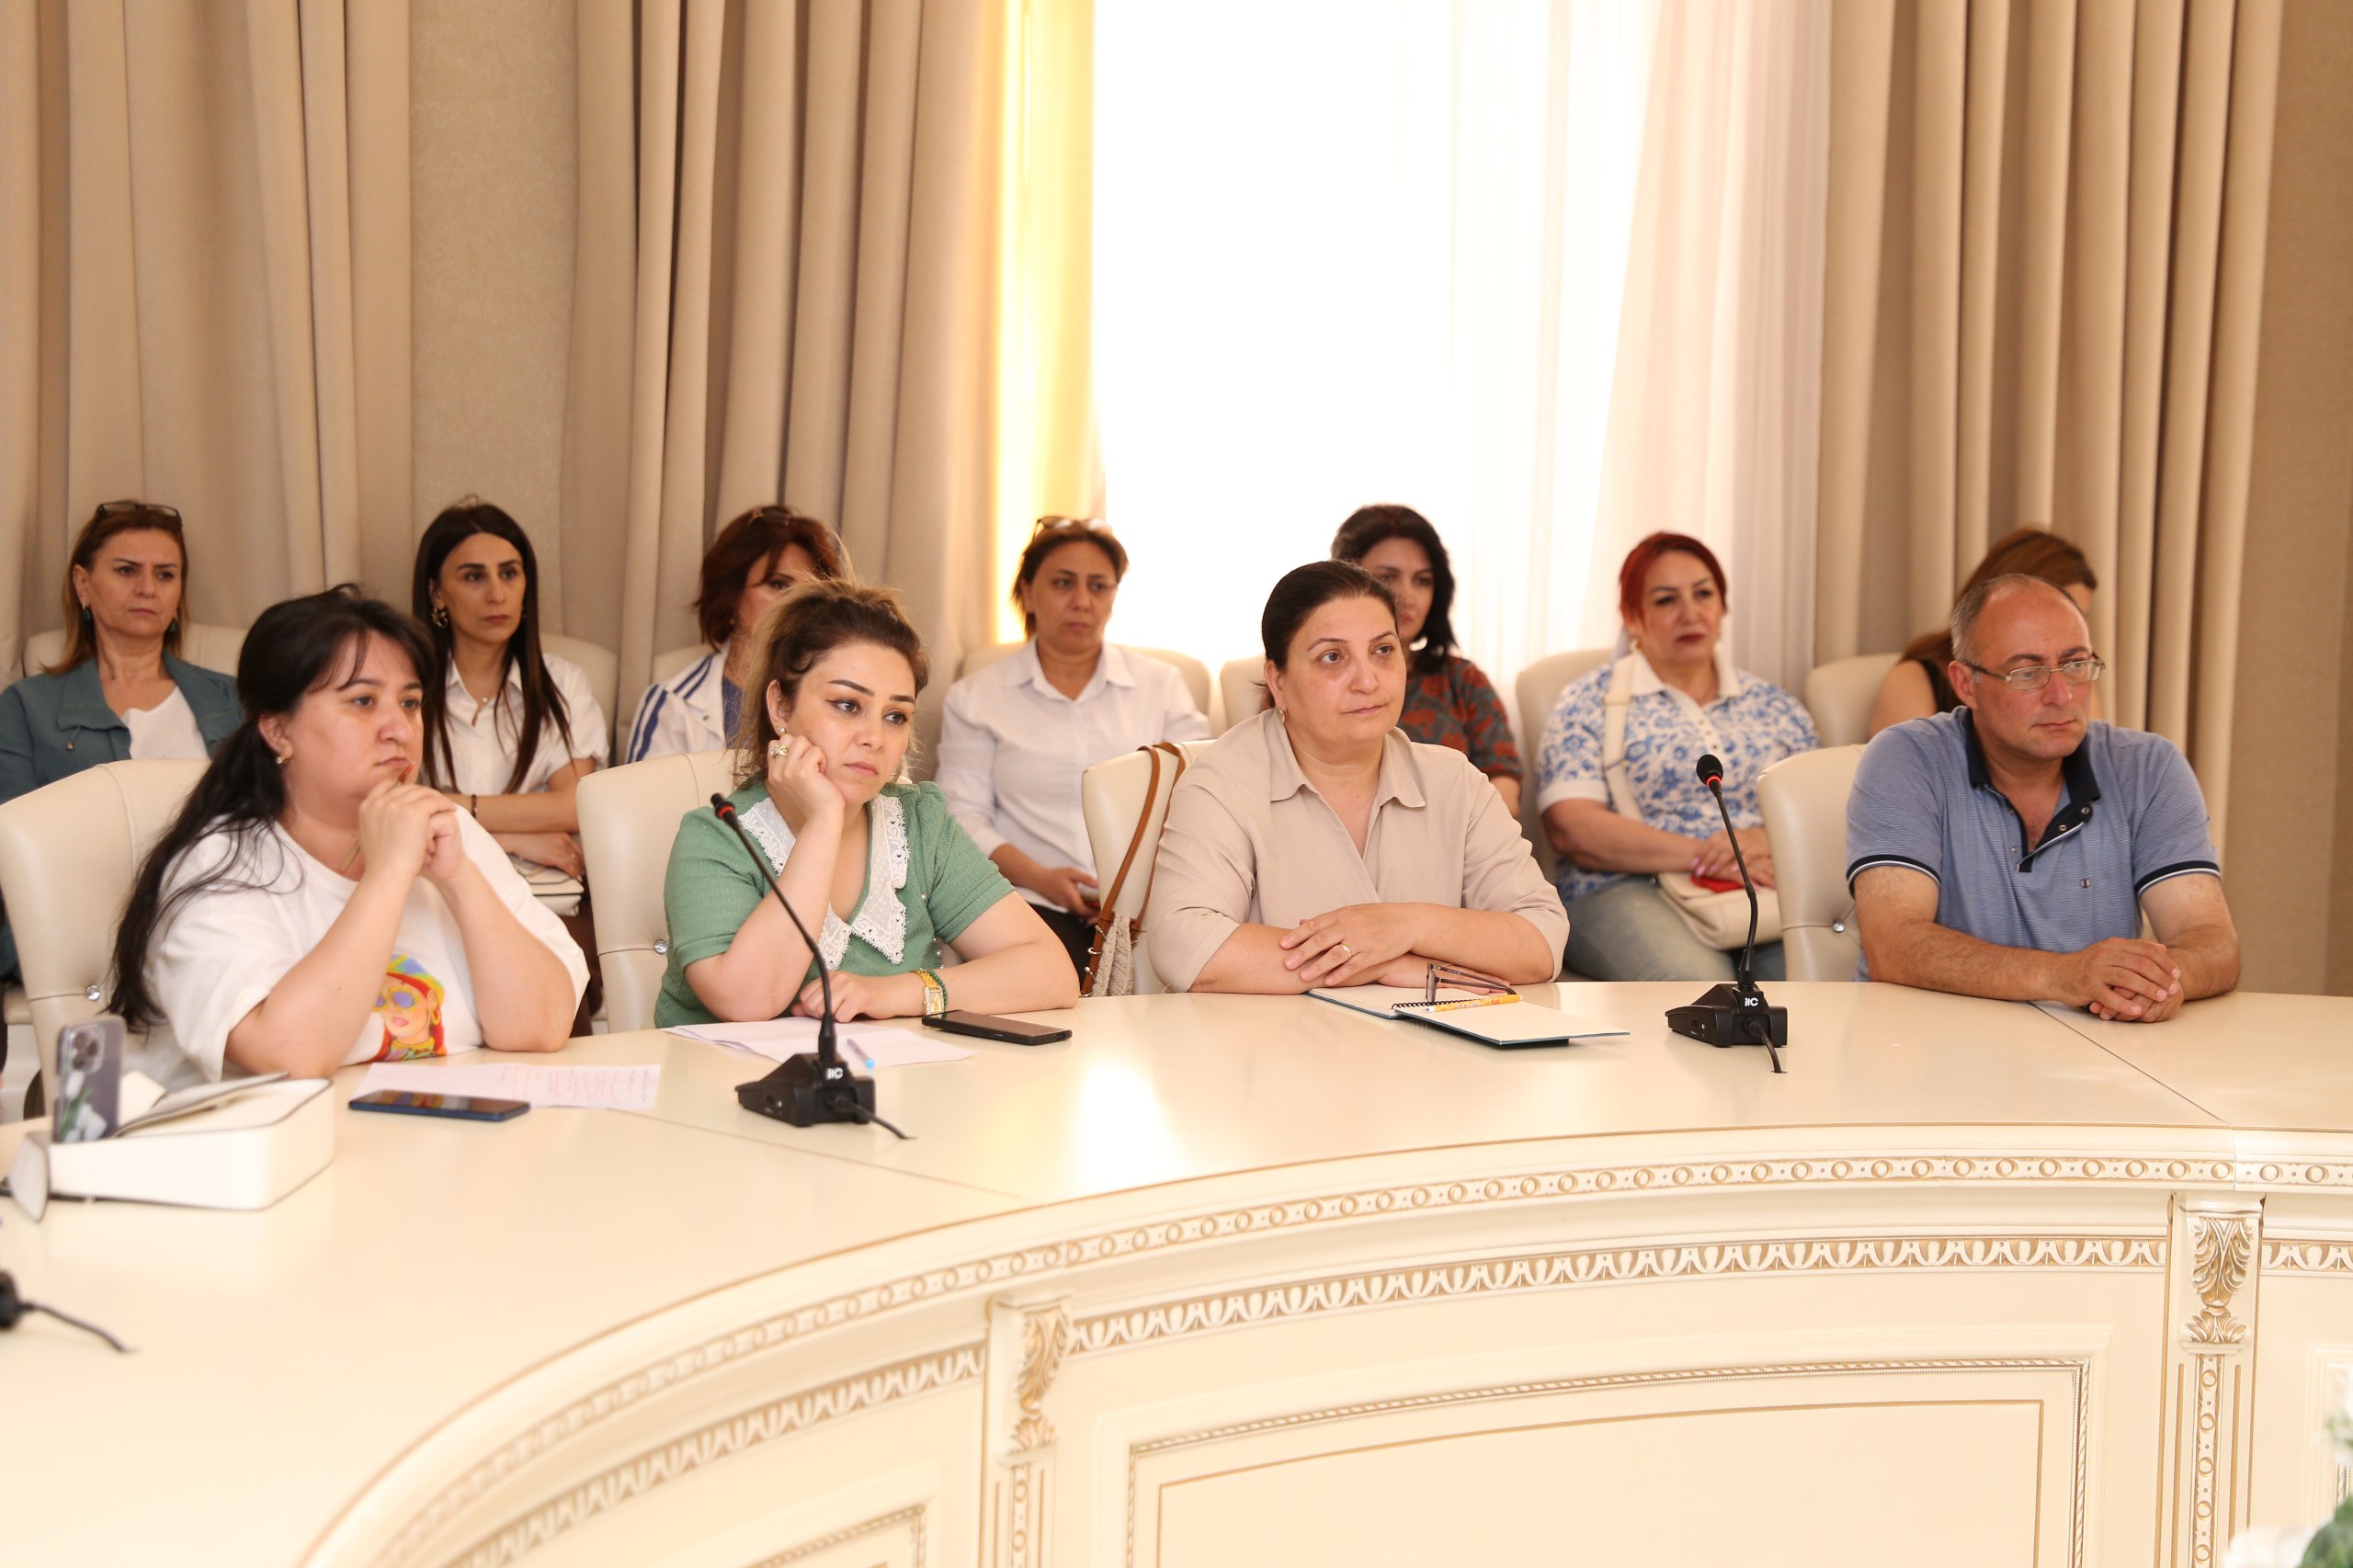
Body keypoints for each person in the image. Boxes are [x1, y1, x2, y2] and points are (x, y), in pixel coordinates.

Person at [107, 587, 588, 1091]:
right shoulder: (220, 864)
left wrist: (458, 877)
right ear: (278, 731)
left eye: (410, 702)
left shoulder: (451, 832)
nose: (400, 729)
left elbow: (539, 1027)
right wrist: (388, 873)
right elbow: (287, 1056)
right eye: (363, 701)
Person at [656, 578, 1079, 1027]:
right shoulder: (715, 836)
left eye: (895, 716)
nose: (875, 738)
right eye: (846, 705)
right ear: (780, 707)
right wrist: (824, 820)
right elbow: (747, 1002)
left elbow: (1051, 973)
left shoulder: (919, 823)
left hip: (892, 1072)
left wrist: (895, 992)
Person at [1149, 561, 1565, 994]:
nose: (1367, 680)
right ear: (1278, 681)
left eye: (1383, 650)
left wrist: (1408, 926)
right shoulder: (1221, 782)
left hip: (1424, 1038)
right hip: (1270, 1036)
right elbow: (1186, 947)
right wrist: (1390, 964)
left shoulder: (1454, 780)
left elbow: (1542, 939)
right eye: (1332, 657)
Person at [1847, 574, 2239, 1019]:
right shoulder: (1906, 759)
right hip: (1925, 1045)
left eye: (2075, 665)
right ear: (1966, 683)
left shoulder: (2148, 767)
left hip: (2093, 1049)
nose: (2062, 695)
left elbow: (2212, 942)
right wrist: (2065, 975)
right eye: (2027, 673)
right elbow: (1892, 945)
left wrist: (2158, 982)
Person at [1535, 531, 1818, 982]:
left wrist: (1762, 839)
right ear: (1633, 617)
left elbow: (1821, 817)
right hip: (1624, 887)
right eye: (1666, 600)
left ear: (1722, 607)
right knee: (1698, 990)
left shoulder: (1775, 705)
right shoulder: (1588, 700)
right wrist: (1708, 856)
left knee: (1820, 985)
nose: (1691, 613)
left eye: (1704, 594)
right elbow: (1573, 828)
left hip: (1760, 886)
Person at [937, 517, 1211, 979]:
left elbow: (1200, 789)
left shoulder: (1161, 685)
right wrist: (1041, 878)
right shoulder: (977, 697)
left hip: (1149, 900)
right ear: (1028, 593)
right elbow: (962, 817)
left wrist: (1136, 887)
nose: (1082, 601)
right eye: (1063, 583)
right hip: (1030, 900)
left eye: (1098, 586)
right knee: (1049, 985)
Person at [0, 500, 239, 980]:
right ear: (83, 584)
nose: (148, 588)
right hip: (81, 933)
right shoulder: (26, 706)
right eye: (127, 570)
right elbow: (12, 848)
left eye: (165, 574)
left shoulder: (232, 699)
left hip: (218, 924)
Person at [411, 500, 608, 884]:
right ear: (436, 593)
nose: (497, 594)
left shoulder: (564, 683)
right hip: (427, 889)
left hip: (543, 894)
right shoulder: (405, 685)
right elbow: (379, 814)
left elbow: (573, 807)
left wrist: (443, 806)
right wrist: (511, 839)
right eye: (474, 577)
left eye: (509, 573)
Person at [1331, 504, 1522, 814]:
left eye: (1423, 580)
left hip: (1459, 839)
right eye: (1387, 577)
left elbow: (1504, 786)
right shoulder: (1309, 677)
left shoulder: (1463, 680)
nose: (1407, 596)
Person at [627, 504, 849, 762]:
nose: (794, 603)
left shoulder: (844, 697)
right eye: (778, 585)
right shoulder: (672, 704)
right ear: (731, 594)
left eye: (808, 591)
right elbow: (641, 791)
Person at [1868, 527, 2098, 736]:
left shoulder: (2075, 678)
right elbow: (1909, 763)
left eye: (2077, 619)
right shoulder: (1914, 681)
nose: (2061, 695)